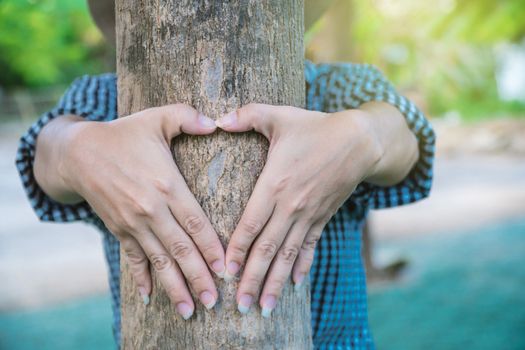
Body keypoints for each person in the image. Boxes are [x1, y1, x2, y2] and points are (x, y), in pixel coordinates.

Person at [15, 1, 435, 349]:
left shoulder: (336, 90)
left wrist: (363, 135)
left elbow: (407, 139)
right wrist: (75, 148)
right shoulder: (105, 101)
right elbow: (44, 153)